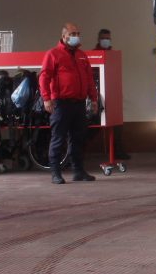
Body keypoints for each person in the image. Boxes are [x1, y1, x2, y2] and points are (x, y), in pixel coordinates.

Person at [40, 22, 98, 184]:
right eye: (72, 34)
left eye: (77, 33)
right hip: (61, 103)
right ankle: (55, 173)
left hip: (79, 103)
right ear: (64, 36)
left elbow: (88, 79)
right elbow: (44, 77)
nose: (76, 36)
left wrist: (93, 99)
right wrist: (46, 98)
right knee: (58, 138)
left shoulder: (81, 55)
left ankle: (78, 171)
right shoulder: (53, 54)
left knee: (78, 139)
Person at [94, 28, 129, 161]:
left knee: (117, 124)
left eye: (108, 38)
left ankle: (118, 151)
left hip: (112, 94)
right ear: (99, 40)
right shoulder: (93, 54)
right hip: (99, 96)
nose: (106, 41)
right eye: (103, 38)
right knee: (95, 125)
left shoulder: (114, 55)